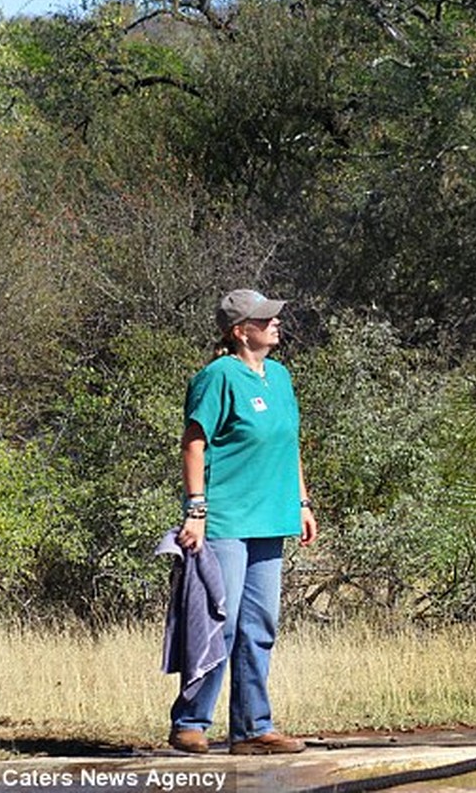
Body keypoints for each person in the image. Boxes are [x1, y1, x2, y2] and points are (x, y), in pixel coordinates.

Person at [167, 288, 318, 755]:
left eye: (274, 318)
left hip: (272, 518)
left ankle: (253, 729)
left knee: (260, 625)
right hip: (226, 519)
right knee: (221, 621)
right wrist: (196, 510)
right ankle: (191, 722)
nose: (276, 324)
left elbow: (289, 443)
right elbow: (194, 442)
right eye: (265, 319)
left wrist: (303, 502)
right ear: (240, 331)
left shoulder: (279, 376)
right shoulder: (218, 377)